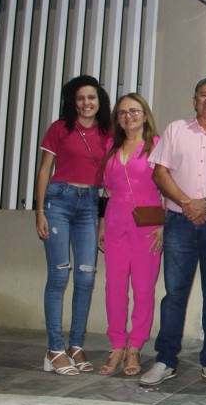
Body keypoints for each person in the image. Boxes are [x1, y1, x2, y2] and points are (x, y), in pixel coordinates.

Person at [140, 78, 206, 387]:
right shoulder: (175, 130)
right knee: (174, 294)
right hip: (179, 222)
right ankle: (165, 359)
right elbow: (160, 173)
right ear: (194, 101)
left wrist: (204, 204)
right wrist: (186, 203)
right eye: (203, 95)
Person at [35, 75, 113, 375]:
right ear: (73, 102)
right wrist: (39, 211)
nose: (86, 103)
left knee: (85, 278)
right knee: (58, 276)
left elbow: (110, 181)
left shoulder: (107, 132)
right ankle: (54, 349)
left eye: (91, 97)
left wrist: (103, 221)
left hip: (90, 204)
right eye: (80, 98)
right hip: (59, 201)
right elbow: (44, 170)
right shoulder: (60, 128)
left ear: (99, 101)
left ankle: (75, 346)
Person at [98, 93, 162, 377]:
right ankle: (116, 346)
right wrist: (102, 224)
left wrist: (163, 225)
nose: (128, 117)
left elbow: (167, 187)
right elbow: (107, 190)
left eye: (134, 111)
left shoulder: (156, 145)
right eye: (122, 113)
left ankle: (135, 346)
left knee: (144, 288)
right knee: (114, 287)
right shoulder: (111, 146)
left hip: (148, 225)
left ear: (145, 115)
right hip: (115, 222)